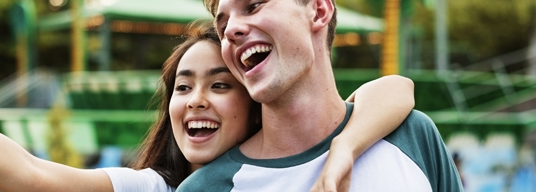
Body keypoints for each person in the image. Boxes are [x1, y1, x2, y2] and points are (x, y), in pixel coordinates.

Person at [0, 20, 413, 191]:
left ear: (255, 99)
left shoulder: (344, 153)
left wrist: (345, 147)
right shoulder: (159, 187)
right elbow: (29, 174)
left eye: (220, 85)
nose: (195, 100)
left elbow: (395, 90)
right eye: (182, 86)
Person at [177, 0, 463, 191]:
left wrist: (345, 147)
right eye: (222, 23)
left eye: (253, 5)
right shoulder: (207, 187)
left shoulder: (412, 135)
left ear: (318, 10)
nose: (230, 31)